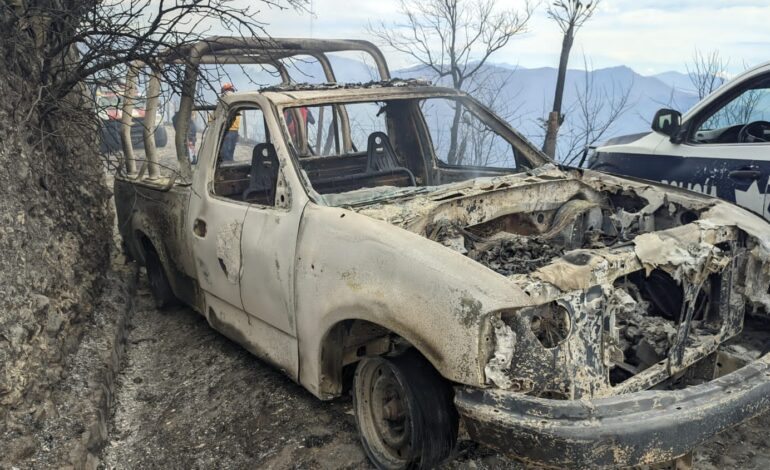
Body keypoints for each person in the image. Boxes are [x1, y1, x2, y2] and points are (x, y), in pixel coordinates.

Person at [219, 83, 240, 161]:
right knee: (230, 153)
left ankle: (228, 169)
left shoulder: (225, 101)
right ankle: (230, 166)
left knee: (225, 154)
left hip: (227, 130)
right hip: (234, 131)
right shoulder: (237, 100)